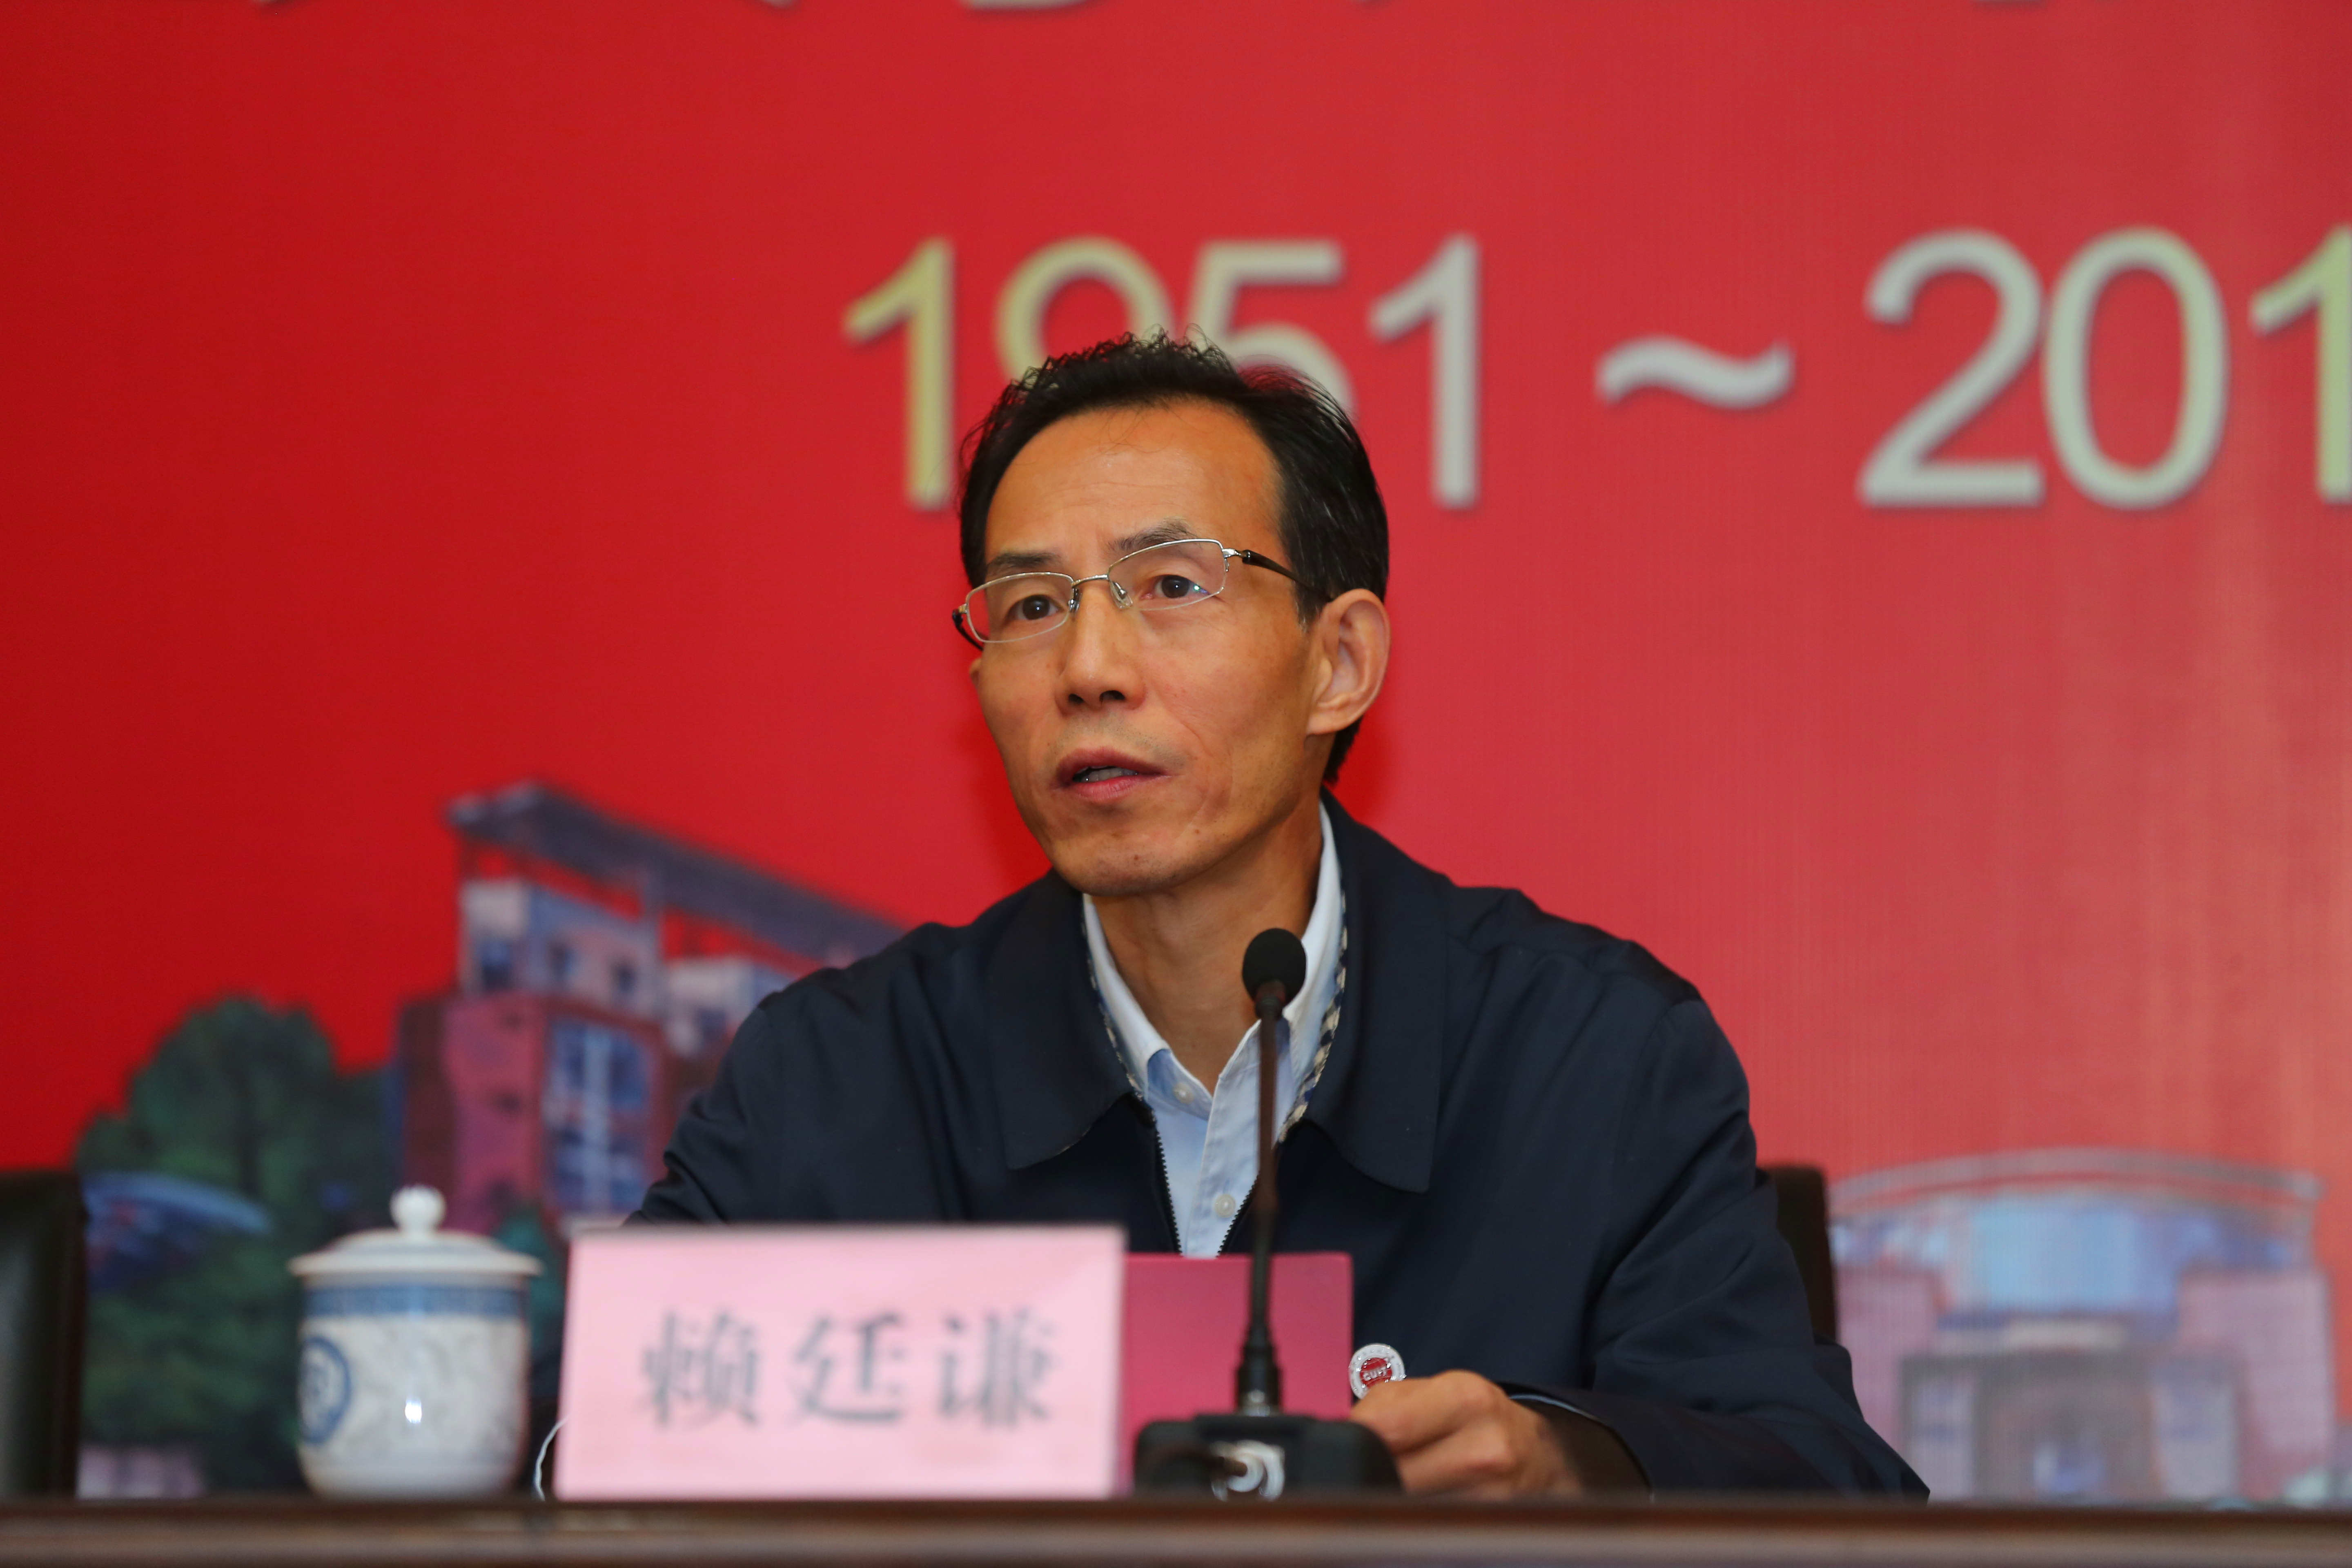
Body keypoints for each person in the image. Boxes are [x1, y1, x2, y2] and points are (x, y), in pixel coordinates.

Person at [636, 333, 1923, 1498]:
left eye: (1171, 585)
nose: (1090, 668)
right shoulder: (839, 1079)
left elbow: (1828, 1491)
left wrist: (1568, 1465)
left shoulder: (1592, 1057)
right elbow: (579, 1454)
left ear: (1338, 662)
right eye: (1031, 607)